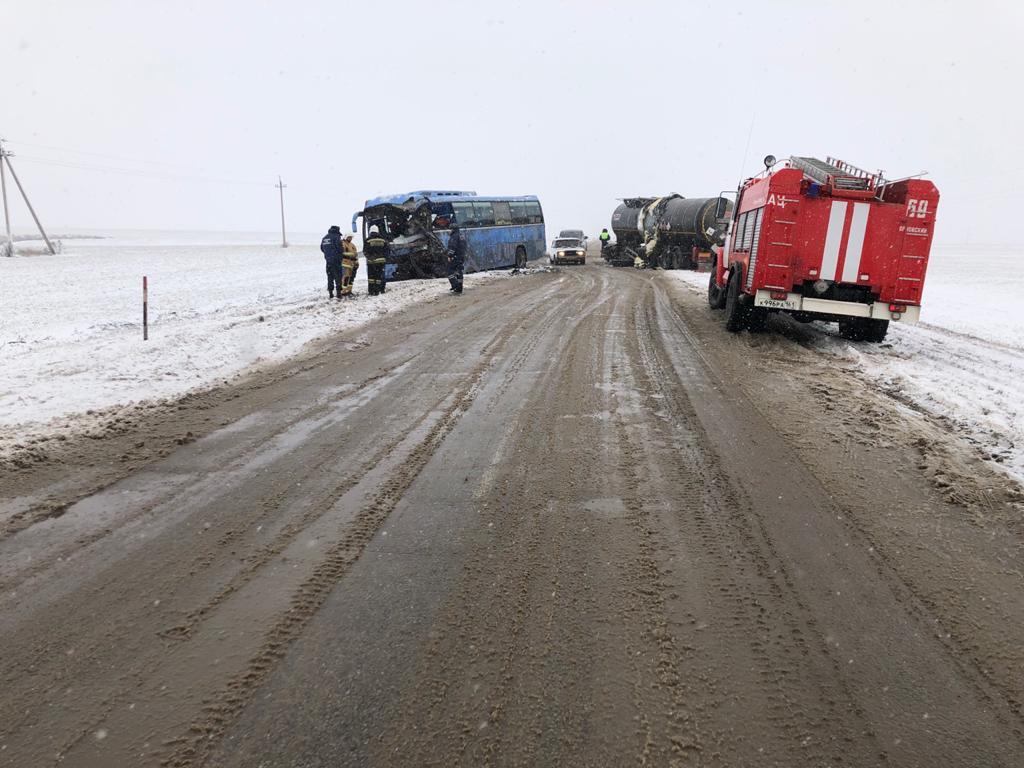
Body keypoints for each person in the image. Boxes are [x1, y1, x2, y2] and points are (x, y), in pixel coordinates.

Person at [320, 225, 344, 299]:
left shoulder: (324, 238)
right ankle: (339, 293)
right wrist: (340, 254)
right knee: (338, 277)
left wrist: (328, 255)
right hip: (336, 260)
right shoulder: (336, 237)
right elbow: (340, 248)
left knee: (330, 277)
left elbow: (322, 248)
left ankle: (330, 293)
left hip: (328, 261)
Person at [364, 225, 389, 296]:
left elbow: (365, 251)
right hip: (381, 262)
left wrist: (370, 258)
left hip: (371, 262)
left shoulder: (367, 240)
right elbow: (387, 250)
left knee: (371, 277)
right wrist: (384, 257)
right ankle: (379, 290)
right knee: (379, 276)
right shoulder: (383, 240)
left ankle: (371, 291)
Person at [447, 221, 467, 294]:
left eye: (450, 229)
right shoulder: (461, 236)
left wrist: (450, 255)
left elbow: (452, 247)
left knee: (450, 272)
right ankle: (459, 287)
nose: (449, 231)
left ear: (453, 229)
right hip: (461, 257)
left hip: (455, 257)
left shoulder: (454, 237)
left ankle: (455, 285)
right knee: (459, 272)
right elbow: (464, 247)